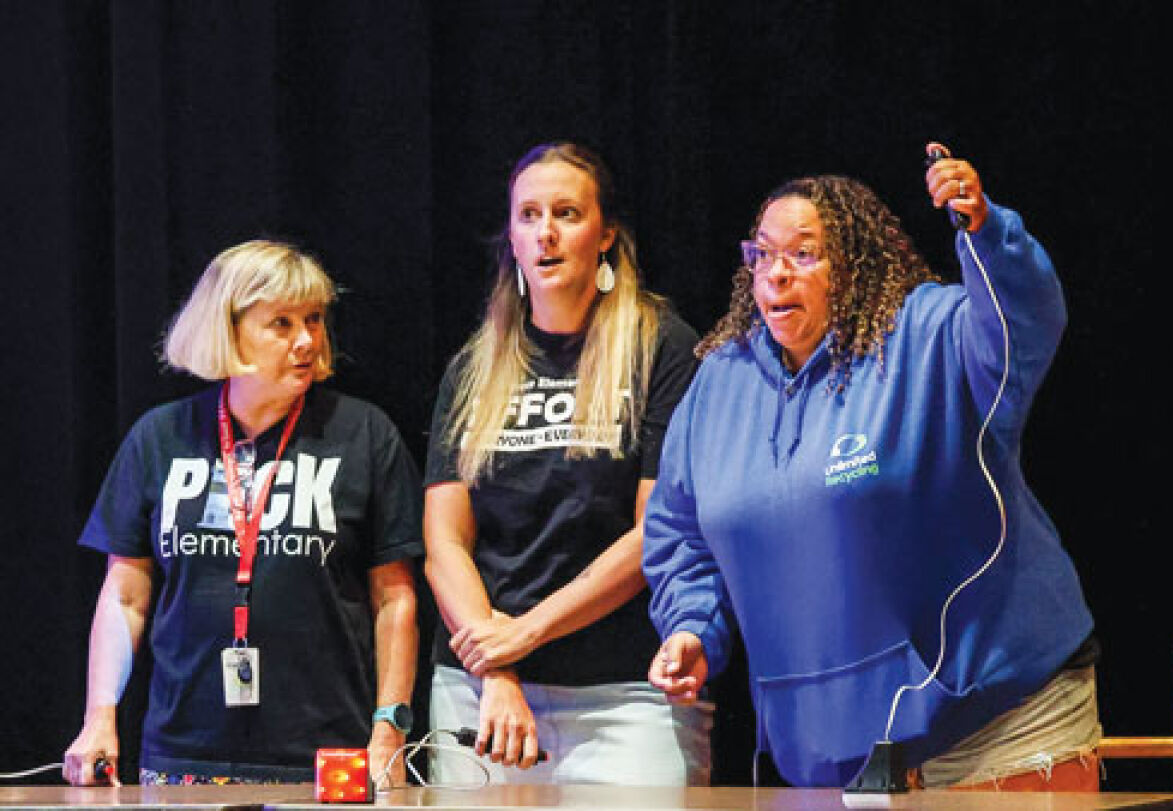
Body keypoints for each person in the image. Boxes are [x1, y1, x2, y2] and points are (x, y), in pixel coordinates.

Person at [643, 144, 1101, 791]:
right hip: (844, 754)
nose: (775, 274)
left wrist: (988, 233)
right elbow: (684, 535)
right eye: (762, 254)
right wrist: (693, 626)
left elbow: (1019, 328)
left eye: (803, 254)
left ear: (854, 265)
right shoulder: (720, 383)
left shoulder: (925, 335)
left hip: (994, 715)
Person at [63, 240, 423, 787]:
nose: (306, 340)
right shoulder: (159, 437)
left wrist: (388, 729)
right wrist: (99, 717)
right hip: (183, 756)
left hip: (329, 755)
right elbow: (125, 595)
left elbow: (394, 598)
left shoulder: (364, 434)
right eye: (281, 323)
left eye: (314, 319)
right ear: (226, 330)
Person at [423, 142, 710, 785]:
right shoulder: (476, 364)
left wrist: (525, 633)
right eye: (528, 215)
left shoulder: (661, 347)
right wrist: (496, 665)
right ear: (513, 240)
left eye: (567, 214)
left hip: (623, 695)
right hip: (481, 688)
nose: (546, 233)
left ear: (605, 234)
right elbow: (444, 540)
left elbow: (654, 532)